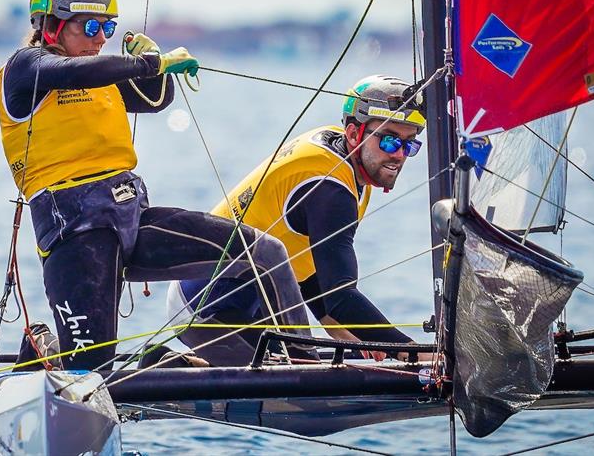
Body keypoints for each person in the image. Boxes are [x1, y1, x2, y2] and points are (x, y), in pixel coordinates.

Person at [0, 0, 315, 371]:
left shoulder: (98, 72)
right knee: (90, 369)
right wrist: (143, 64)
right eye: (90, 26)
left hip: (130, 212)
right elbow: (71, 72)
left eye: (108, 28)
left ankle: (307, 365)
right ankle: (44, 354)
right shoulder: (27, 68)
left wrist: (156, 64)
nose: (100, 39)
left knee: (266, 252)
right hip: (75, 228)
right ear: (51, 26)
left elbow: (155, 99)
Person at [168, 74, 430, 364]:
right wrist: (412, 352)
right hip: (208, 304)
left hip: (246, 298)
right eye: (391, 142)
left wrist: (346, 331)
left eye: (410, 145)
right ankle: (161, 371)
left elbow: (310, 273)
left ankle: (176, 365)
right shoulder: (330, 187)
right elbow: (341, 295)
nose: (399, 156)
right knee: (305, 381)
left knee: (309, 365)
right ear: (355, 134)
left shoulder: (345, 162)